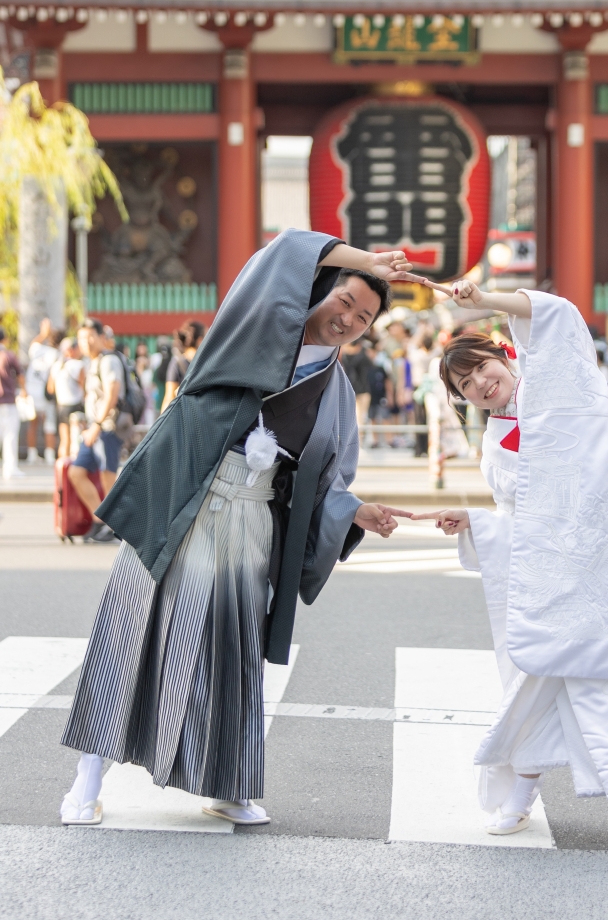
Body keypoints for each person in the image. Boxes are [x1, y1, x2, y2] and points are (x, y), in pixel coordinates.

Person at [60, 232, 420, 828]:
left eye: (364, 318)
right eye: (346, 302)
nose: (349, 320)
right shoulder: (255, 329)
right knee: (136, 630)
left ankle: (226, 782)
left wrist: (354, 510)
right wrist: (369, 261)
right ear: (316, 291)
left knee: (233, 652)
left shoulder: (335, 392)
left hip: (252, 518)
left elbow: (324, 483)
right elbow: (285, 250)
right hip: (187, 500)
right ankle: (87, 779)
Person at [415, 279, 608, 846]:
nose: (479, 384)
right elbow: (520, 523)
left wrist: (487, 300)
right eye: (464, 384)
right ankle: (522, 793)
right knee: (545, 673)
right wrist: (475, 522)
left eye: (481, 367)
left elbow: (556, 316)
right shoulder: (492, 449)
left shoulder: (563, 386)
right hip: (570, 566)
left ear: (504, 355)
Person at [67, 319, 126, 543]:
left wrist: (98, 425)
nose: (86, 342)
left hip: (108, 428)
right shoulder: (92, 362)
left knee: (107, 477)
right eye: (82, 337)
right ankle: (101, 520)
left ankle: (117, 526)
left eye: (90, 336)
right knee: (76, 472)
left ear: (102, 337)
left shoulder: (109, 360)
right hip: (94, 428)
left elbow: (113, 393)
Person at [25, 318, 61, 464]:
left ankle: (32, 453)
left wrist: (43, 333)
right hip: (46, 394)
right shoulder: (56, 354)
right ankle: (49, 454)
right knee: (49, 424)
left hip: (31, 390)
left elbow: (34, 343)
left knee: (32, 423)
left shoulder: (38, 349)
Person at [47, 337, 87, 459]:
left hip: (61, 406)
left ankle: (63, 472)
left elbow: (50, 389)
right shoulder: (78, 365)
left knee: (64, 440)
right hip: (76, 405)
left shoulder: (56, 366)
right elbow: (84, 387)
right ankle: (75, 468)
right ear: (72, 350)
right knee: (77, 440)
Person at [160, 320, 206, 413]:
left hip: (185, 417)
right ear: (200, 340)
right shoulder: (208, 362)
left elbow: (169, 397)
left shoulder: (177, 362)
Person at [0, 327, 26, 480]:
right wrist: (24, 390)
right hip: (8, 400)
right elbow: (20, 374)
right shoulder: (8, 355)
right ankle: (10, 468)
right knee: (10, 435)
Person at [340, 338, 374, 429]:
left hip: (359, 387)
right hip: (354, 387)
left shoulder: (344, 351)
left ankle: (359, 439)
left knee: (359, 417)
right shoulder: (360, 353)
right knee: (357, 417)